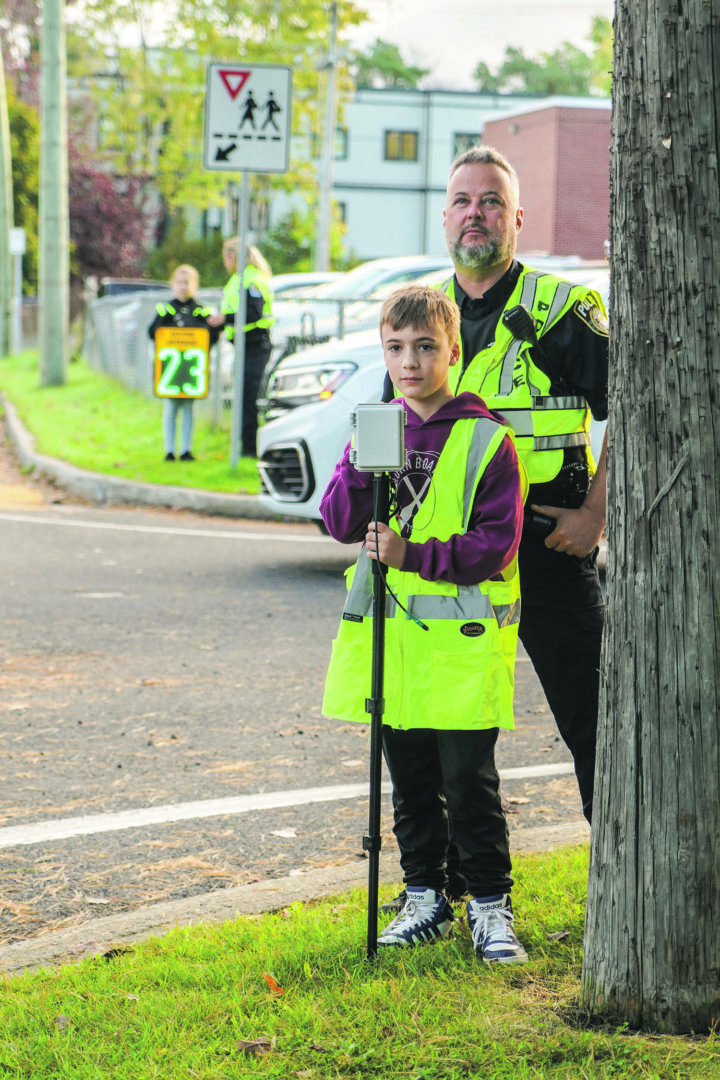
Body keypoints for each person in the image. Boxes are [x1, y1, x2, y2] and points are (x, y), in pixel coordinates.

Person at [321, 285, 528, 963]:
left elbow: (494, 545)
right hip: (395, 650)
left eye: (425, 347)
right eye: (396, 348)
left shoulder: (487, 440)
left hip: (461, 649)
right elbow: (340, 523)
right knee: (408, 782)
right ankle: (425, 896)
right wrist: (360, 458)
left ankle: (491, 906)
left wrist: (415, 555)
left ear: (453, 351)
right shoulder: (378, 429)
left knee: (469, 781)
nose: (409, 362)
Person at [207, 239, 274, 457]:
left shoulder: (251, 279)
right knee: (243, 395)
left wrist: (223, 319)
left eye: (226, 257)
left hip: (255, 344)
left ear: (232, 257)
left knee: (248, 395)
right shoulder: (240, 279)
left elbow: (253, 313)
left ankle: (249, 449)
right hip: (244, 345)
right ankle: (245, 445)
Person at [148, 264, 219, 462]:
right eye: (179, 283)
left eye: (187, 282)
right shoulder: (166, 309)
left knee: (188, 408)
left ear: (194, 285)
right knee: (170, 408)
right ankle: (169, 451)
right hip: (170, 371)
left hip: (191, 371)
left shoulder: (200, 311)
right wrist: (164, 320)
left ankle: (186, 450)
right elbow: (152, 333)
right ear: (173, 284)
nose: (183, 287)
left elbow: (211, 337)